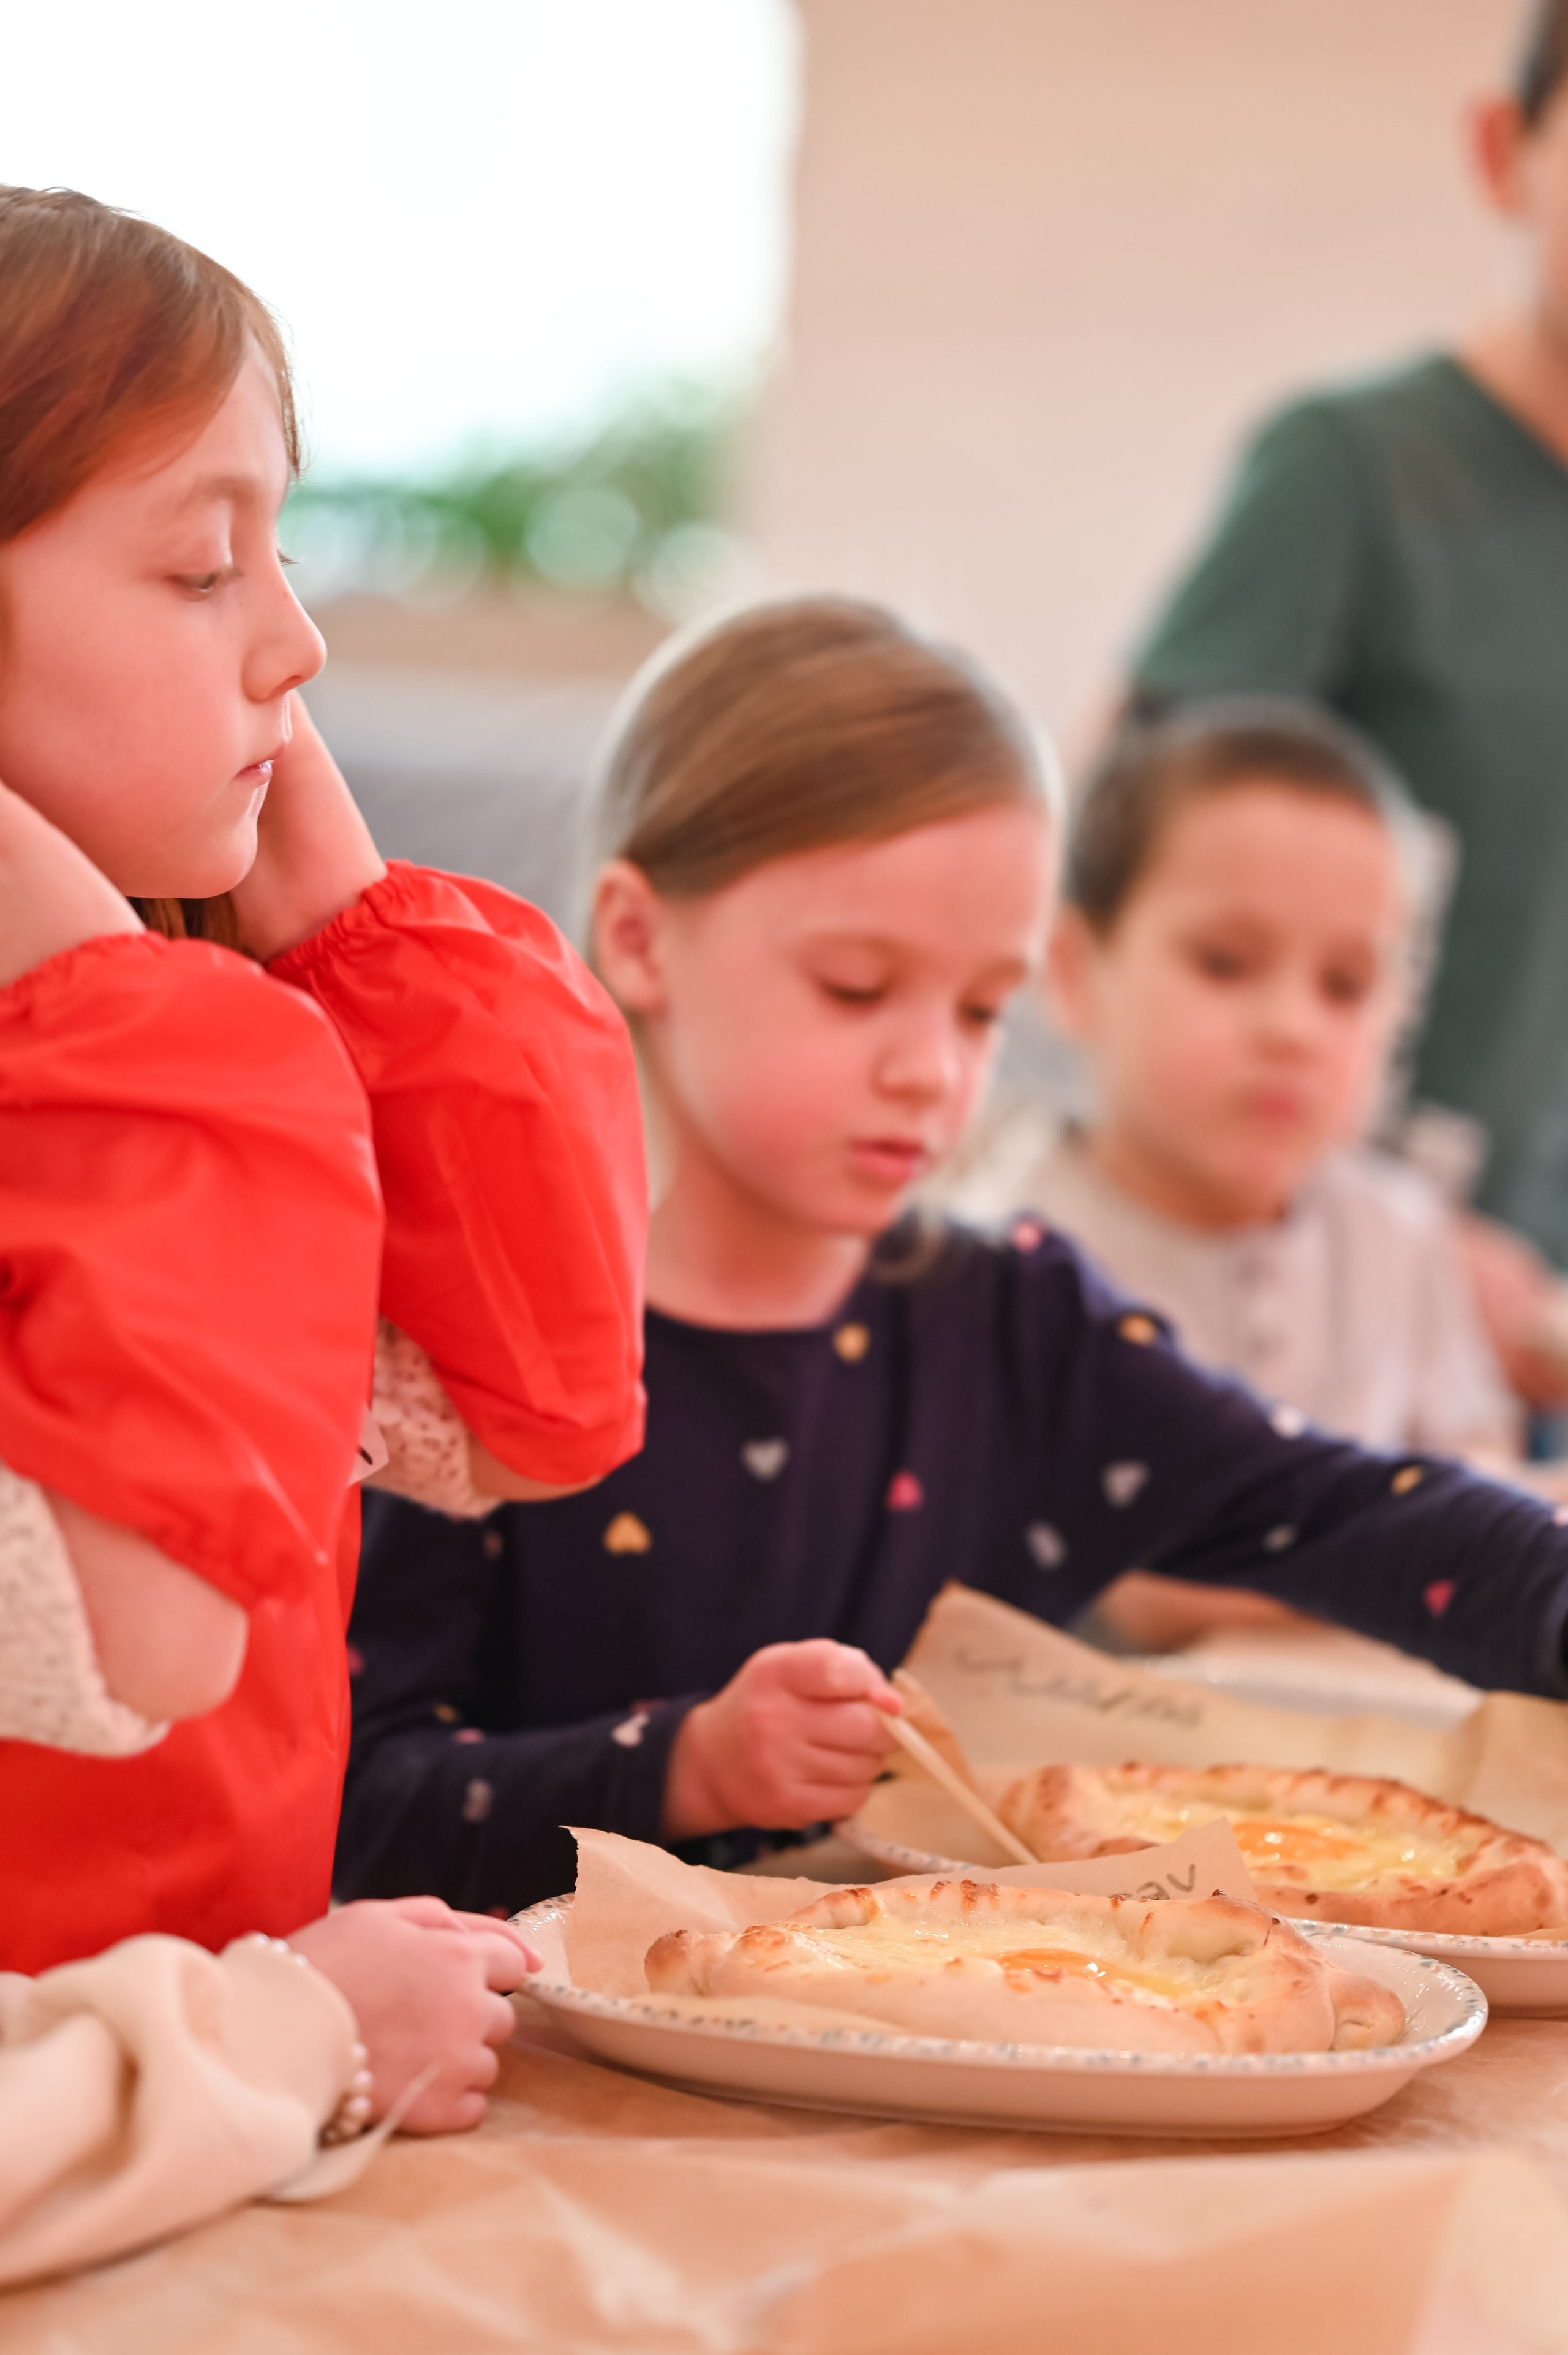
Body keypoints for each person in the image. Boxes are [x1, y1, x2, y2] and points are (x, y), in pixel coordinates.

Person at [337, 595, 1568, 1923]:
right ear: (638, 938)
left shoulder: (1015, 1323)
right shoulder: (455, 1350)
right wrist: (688, 1765)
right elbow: (366, 1816)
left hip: (954, 2064)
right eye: (857, 987)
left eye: (981, 1007)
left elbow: (1355, 1515)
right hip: (544, 2094)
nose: (931, 1069)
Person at [0, 175, 646, 2253]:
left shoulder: (139, 1061)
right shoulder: (146, 1087)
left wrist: (356, 938)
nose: (300, 640)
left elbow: (518, 1408)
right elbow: (144, 1638)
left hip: (193, 2168)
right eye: (205, 565)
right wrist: (296, 2033)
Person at [1127, 0, 1568, 1407]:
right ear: (1502, 149)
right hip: (1316, 1324)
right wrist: (1404, 1236)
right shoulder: (1351, 473)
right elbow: (1141, 884)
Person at [939, 695, 1521, 1652]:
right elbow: (1145, 1590)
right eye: (1226, 962)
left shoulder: (1400, 1231)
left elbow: (1482, 1472)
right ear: (1077, 971)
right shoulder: (1002, 1254)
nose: (1292, 1028)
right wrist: (1429, 1556)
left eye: (1346, 984)